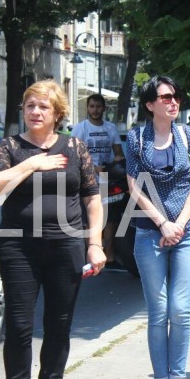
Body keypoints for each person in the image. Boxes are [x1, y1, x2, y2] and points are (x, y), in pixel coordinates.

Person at [0, 80, 105, 379]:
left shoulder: (75, 147)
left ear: (57, 113)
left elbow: (92, 199)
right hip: (19, 246)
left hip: (66, 245)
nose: (36, 112)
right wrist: (31, 165)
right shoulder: (11, 147)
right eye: (30, 106)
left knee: (58, 326)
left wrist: (94, 243)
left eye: (43, 107)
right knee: (20, 326)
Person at [125, 76, 190, 379]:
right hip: (149, 232)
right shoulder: (136, 138)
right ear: (150, 104)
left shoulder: (188, 136)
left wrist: (179, 225)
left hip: (188, 233)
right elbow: (133, 185)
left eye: (177, 96)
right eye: (166, 97)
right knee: (158, 310)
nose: (174, 102)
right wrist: (162, 224)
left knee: (180, 310)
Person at [71, 94, 124, 264]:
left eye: (98, 106)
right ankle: (92, 255)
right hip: (85, 179)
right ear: (87, 108)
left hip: (106, 179)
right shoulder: (80, 128)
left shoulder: (110, 128)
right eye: (92, 106)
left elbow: (118, 154)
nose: (95, 110)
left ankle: (109, 254)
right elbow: (73, 156)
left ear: (104, 108)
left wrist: (111, 166)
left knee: (108, 218)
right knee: (89, 217)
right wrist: (92, 167)